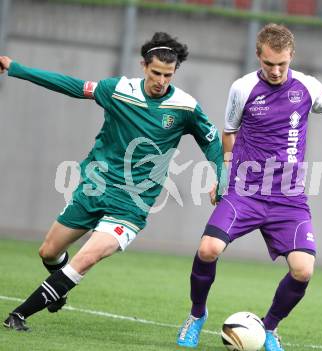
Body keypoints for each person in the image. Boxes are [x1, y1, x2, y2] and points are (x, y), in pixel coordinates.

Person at [176, 23, 322, 351]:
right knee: (208, 248)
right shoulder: (242, 88)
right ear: (258, 56)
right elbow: (230, 133)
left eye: (282, 63)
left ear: (291, 56)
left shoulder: (308, 87)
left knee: (303, 270)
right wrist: (223, 177)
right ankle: (197, 315)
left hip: (288, 199)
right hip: (246, 190)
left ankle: (269, 328)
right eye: (269, 64)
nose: (276, 70)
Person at [1, 32, 224, 332]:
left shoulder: (185, 106)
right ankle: (58, 289)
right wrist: (17, 69)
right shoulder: (117, 89)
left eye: (168, 75)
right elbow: (72, 86)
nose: (161, 80)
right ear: (143, 66)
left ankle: (19, 314)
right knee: (48, 252)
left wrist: (220, 174)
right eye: (156, 72)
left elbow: (211, 142)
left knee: (86, 257)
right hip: (95, 187)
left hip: (132, 202)